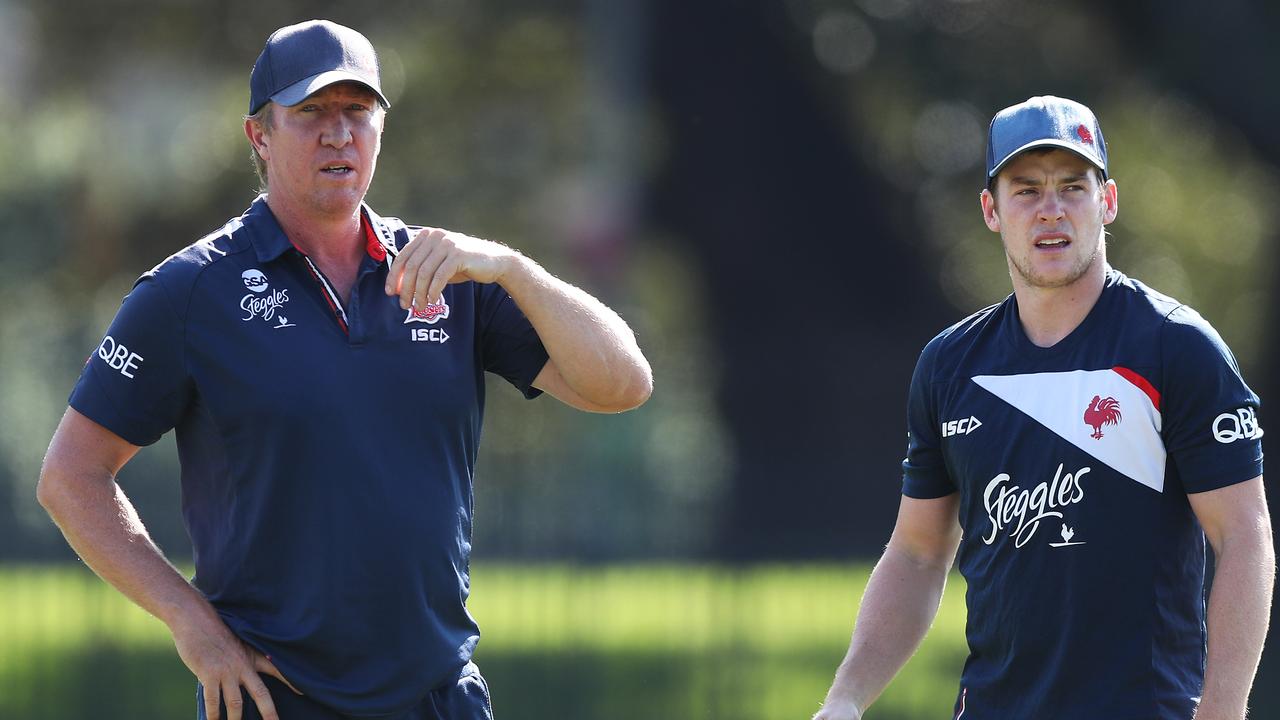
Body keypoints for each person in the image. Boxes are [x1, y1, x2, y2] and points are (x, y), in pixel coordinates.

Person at [37, 19, 652, 720]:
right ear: (260, 136)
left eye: (357, 111)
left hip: (439, 696)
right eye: (311, 113)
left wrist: (512, 268)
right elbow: (71, 478)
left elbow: (623, 385)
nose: (339, 134)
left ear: (380, 131)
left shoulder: (449, 273)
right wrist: (193, 627)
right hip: (278, 699)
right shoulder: (190, 291)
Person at [814, 96, 1272, 720]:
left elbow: (1244, 536)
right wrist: (843, 701)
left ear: (1107, 201)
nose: (1051, 209)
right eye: (1026, 189)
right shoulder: (949, 367)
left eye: (1072, 187)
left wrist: (1222, 710)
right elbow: (918, 554)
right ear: (991, 211)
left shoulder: (1175, 347)